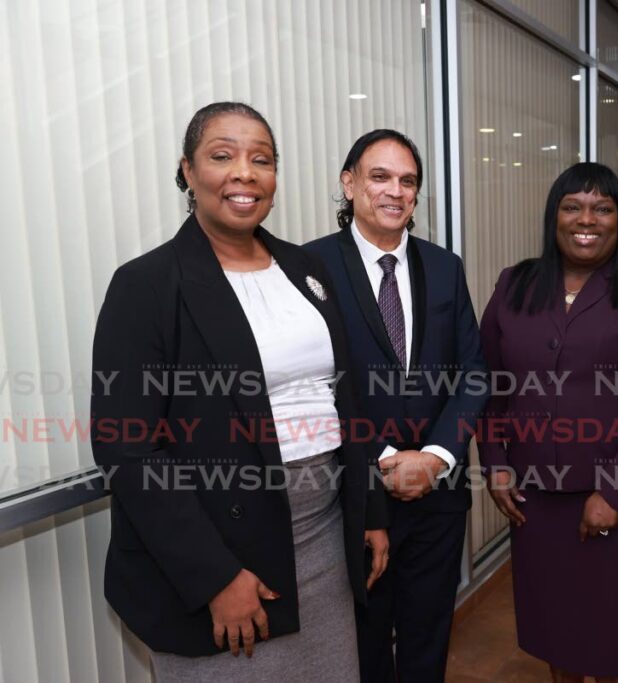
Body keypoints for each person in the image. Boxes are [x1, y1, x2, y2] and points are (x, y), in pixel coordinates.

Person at [91, 102, 388, 681]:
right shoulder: (147, 285)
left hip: (325, 538)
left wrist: (369, 509)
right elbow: (128, 450)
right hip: (222, 557)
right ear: (187, 171)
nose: (245, 173)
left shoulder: (306, 270)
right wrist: (214, 577)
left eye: (262, 159)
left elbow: (345, 400)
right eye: (222, 156)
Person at [478, 162, 618, 683]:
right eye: (572, 206)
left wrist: (615, 494)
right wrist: (496, 465)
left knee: (615, 643)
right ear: (554, 217)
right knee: (558, 632)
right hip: (535, 500)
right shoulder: (514, 284)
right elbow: (488, 385)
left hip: (617, 497)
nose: (585, 219)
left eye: (602, 207)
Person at [304, 129, 488, 682]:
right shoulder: (307, 269)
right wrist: (383, 457)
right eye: (380, 176)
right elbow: (315, 385)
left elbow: (473, 374)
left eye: (408, 181)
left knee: (428, 636)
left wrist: (434, 456)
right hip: (356, 492)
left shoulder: (444, 267)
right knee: (362, 643)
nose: (395, 191)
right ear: (349, 183)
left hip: (439, 493)